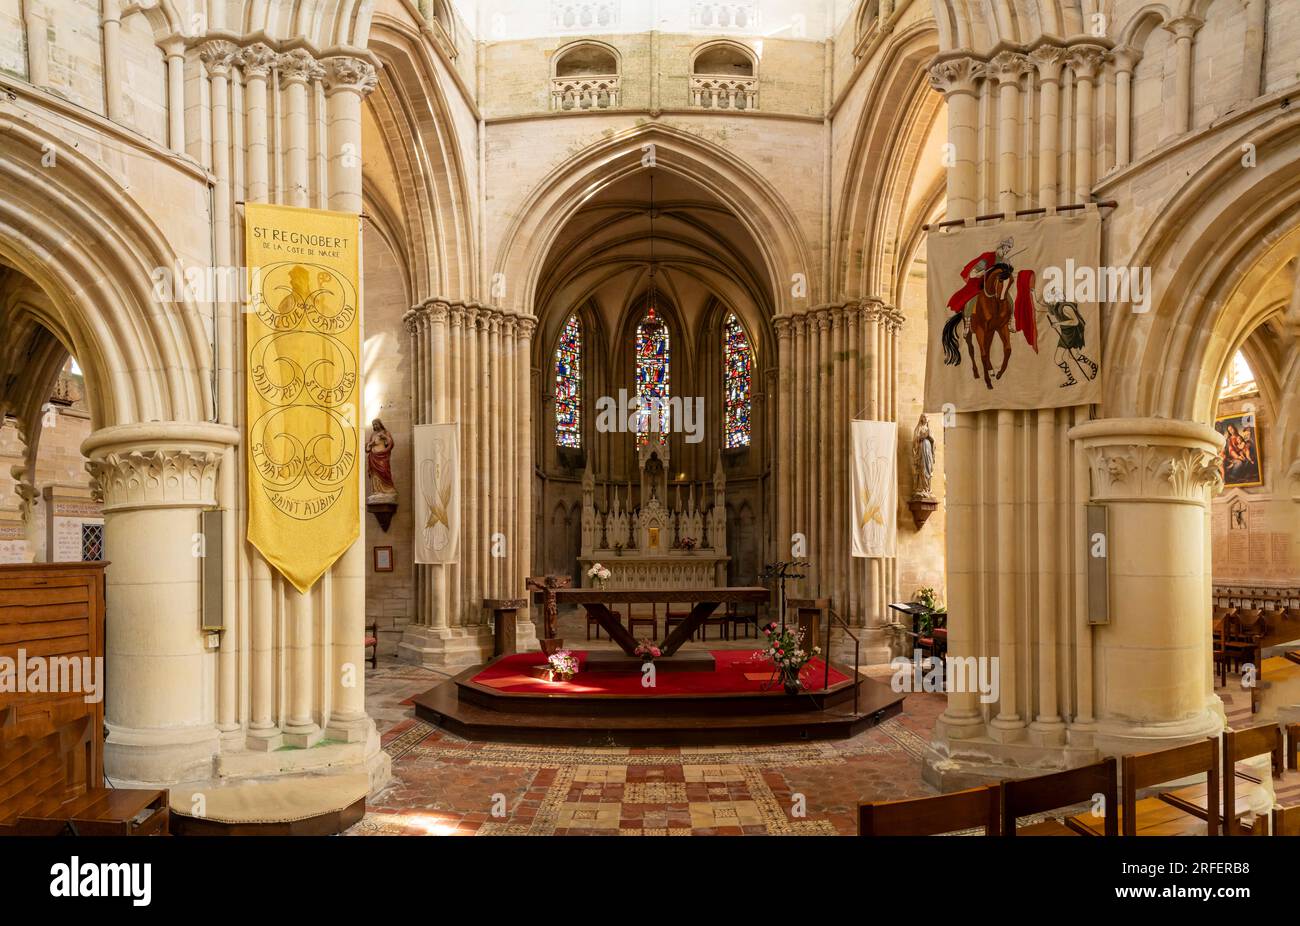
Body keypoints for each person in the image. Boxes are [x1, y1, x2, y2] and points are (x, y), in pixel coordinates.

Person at [366, 418, 396, 500]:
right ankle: (377, 491)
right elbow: (367, 448)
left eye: (376, 424)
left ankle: (387, 490)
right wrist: (370, 444)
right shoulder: (373, 435)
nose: (375, 426)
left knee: (384, 471)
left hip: (383, 457)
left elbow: (391, 443)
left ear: (380, 424)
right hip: (373, 457)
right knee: (375, 474)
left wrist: (385, 437)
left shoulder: (386, 432)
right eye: (373, 425)